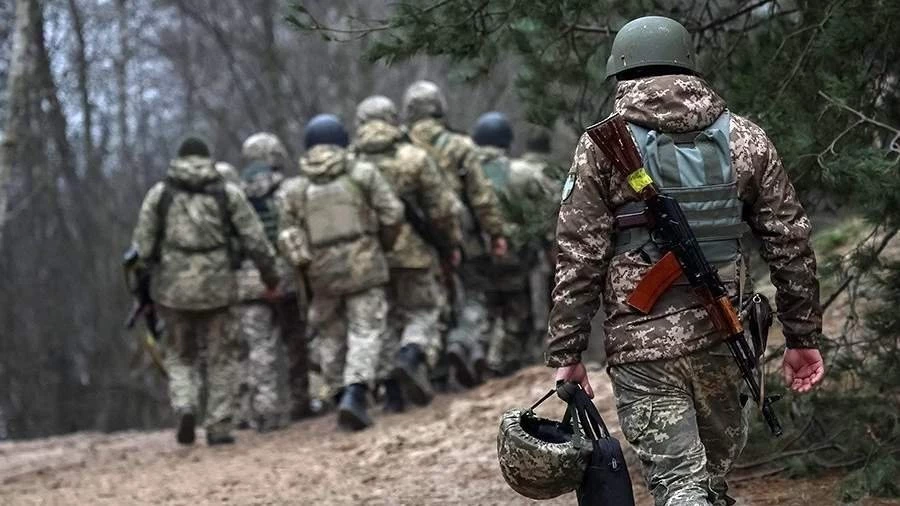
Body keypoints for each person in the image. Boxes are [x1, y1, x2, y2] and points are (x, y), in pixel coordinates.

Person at [547, 16, 826, 505]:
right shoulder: (746, 139)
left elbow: (579, 255)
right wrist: (802, 336)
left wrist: (566, 352)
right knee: (707, 485)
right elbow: (790, 243)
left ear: (621, 71)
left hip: (643, 348)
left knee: (683, 486)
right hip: (725, 339)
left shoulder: (600, 146)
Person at [130, 137, 280, 445]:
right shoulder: (227, 193)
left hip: (173, 289)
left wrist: (144, 288)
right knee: (222, 356)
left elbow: (142, 248)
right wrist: (270, 275)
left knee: (180, 355)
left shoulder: (160, 194)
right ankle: (219, 425)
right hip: (218, 287)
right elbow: (255, 240)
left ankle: (185, 405)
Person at [278, 114, 403, 430]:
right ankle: (355, 392)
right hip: (363, 263)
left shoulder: (296, 188)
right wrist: (381, 245)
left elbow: (288, 234)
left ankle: (336, 392)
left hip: (321, 272)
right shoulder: (362, 173)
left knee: (330, 333)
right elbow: (392, 214)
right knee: (365, 330)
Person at [353, 96, 463, 411]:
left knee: (386, 321)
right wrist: (451, 244)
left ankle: (393, 396)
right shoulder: (414, 157)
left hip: (370, 256)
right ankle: (410, 355)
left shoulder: (351, 164)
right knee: (423, 311)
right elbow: (441, 209)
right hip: (414, 252)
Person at [402, 80, 508, 387]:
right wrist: (495, 233)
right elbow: (481, 196)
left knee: (432, 303)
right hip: (463, 236)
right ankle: (461, 343)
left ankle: (436, 375)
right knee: (475, 294)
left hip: (414, 239)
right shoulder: (460, 146)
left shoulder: (401, 149)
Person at [234, 132, 312, 431]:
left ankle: (265, 411)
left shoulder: (235, 196)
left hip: (250, 280)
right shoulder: (290, 189)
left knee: (259, 347)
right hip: (287, 276)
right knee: (296, 340)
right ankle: (300, 401)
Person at [472, 112, 551, 377]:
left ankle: (476, 350)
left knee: (482, 307)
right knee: (517, 311)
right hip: (513, 256)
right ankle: (499, 363)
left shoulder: (462, 171)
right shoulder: (521, 173)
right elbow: (548, 208)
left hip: (473, 254)